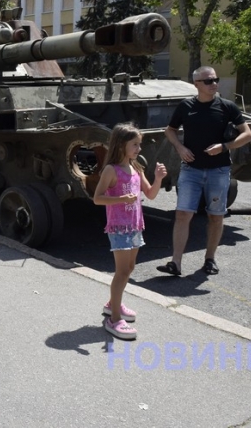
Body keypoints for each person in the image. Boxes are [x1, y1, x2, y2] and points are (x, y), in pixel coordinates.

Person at [157, 66, 251, 277]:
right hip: (190, 170)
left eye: (215, 79)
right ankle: (176, 263)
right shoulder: (186, 106)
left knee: (215, 217)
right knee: (183, 214)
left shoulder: (227, 106)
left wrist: (225, 146)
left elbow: (247, 134)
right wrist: (180, 148)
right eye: (208, 81)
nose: (214, 84)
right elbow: (169, 130)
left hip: (218, 170)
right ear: (197, 84)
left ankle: (210, 259)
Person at [93, 122, 167, 341]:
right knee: (122, 272)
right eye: (134, 144)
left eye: (139, 144)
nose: (138, 149)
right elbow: (97, 198)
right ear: (121, 145)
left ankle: (112, 304)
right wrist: (119, 199)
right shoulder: (111, 170)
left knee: (130, 267)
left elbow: (151, 194)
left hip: (135, 225)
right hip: (119, 227)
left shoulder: (136, 168)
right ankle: (114, 319)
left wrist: (159, 178)